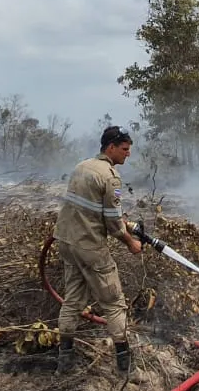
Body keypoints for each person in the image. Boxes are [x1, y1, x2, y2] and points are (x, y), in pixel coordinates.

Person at [54, 125, 147, 375]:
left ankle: (64, 362)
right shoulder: (110, 177)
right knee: (115, 303)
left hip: (67, 242)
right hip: (90, 247)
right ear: (111, 148)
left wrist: (119, 220)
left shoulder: (82, 166)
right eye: (125, 150)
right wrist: (131, 243)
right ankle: (125, 366)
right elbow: (114, 224)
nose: (128, 154)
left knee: (72, 300)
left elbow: (90, 208)